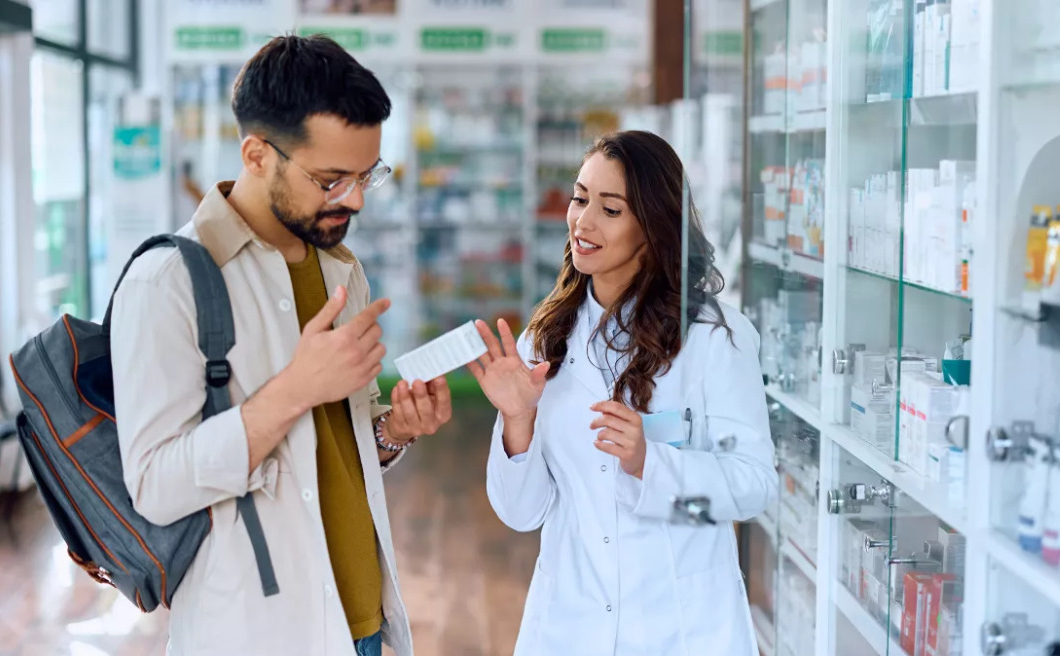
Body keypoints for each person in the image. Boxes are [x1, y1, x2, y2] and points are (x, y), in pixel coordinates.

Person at [111, 35, 452, 656]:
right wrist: (295, 390)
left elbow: (330, 452)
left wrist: (394, 431)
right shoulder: (169, 282)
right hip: (257, 634)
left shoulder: (339, 267)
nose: (352, 199)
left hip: (363, 617)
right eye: (331, 179)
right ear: (257, 154)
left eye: (366, 175)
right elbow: (156, 485)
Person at [469, 130, 777, 655]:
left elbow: (754, 487)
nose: (582, 222)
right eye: (579, 197)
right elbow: (522, 513)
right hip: (571, 623)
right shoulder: (546, 337)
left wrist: (648, 462)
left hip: (681, 628)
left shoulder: (713, 338)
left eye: (610, 210)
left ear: (653, 226)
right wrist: (518, 421)